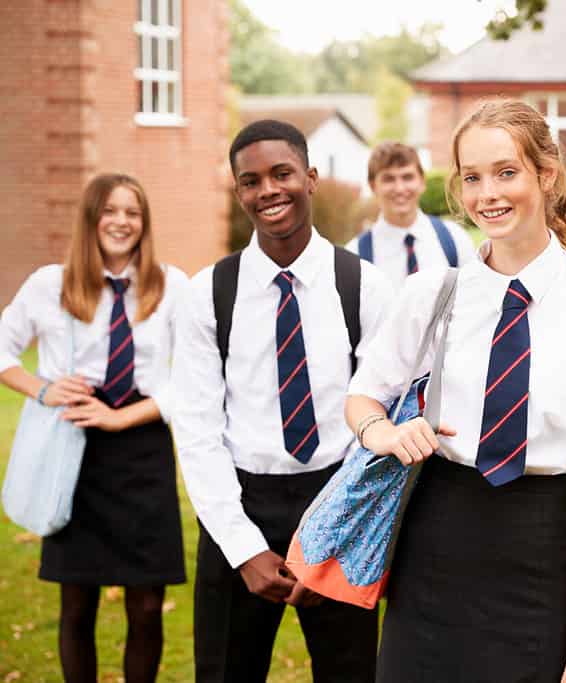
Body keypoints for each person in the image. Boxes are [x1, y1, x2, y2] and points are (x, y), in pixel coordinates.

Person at [345, 99, 566, 683]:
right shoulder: (432, 293)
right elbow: (362, 395)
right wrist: (382, 431)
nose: (488, 194)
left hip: (536, 555)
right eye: (472, 177)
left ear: (547, 173)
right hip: (431, 549)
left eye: (506, 172)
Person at [171, 120, 393, 682]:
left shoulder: (363, 285)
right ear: (238, 192)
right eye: (250, 181)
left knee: (351, 672)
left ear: (311, 178)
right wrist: (243, 549)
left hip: (340, 499)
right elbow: (197, 432)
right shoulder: (209, 295)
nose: (268, 190)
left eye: (282, 173)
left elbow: (385, 414)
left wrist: (335, 533)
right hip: (238, 503)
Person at [0, 173, 187, 683]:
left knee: (148, 606)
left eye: (133, 212)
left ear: (144, 223)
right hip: (73, 447)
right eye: (110, 210)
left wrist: (123, 416)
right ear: (90, 218)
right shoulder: (49, 283)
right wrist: (41, 388)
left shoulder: (171, 286)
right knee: (77, 606)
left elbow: (196, 374)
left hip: (142, 447)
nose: (122, 222)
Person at [347, 141, 476, 288]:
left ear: (422, 181)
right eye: (389, 179)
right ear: (372, 186)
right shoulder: (355, 256)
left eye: (407, 177)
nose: (400, 188)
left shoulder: (454, 238)